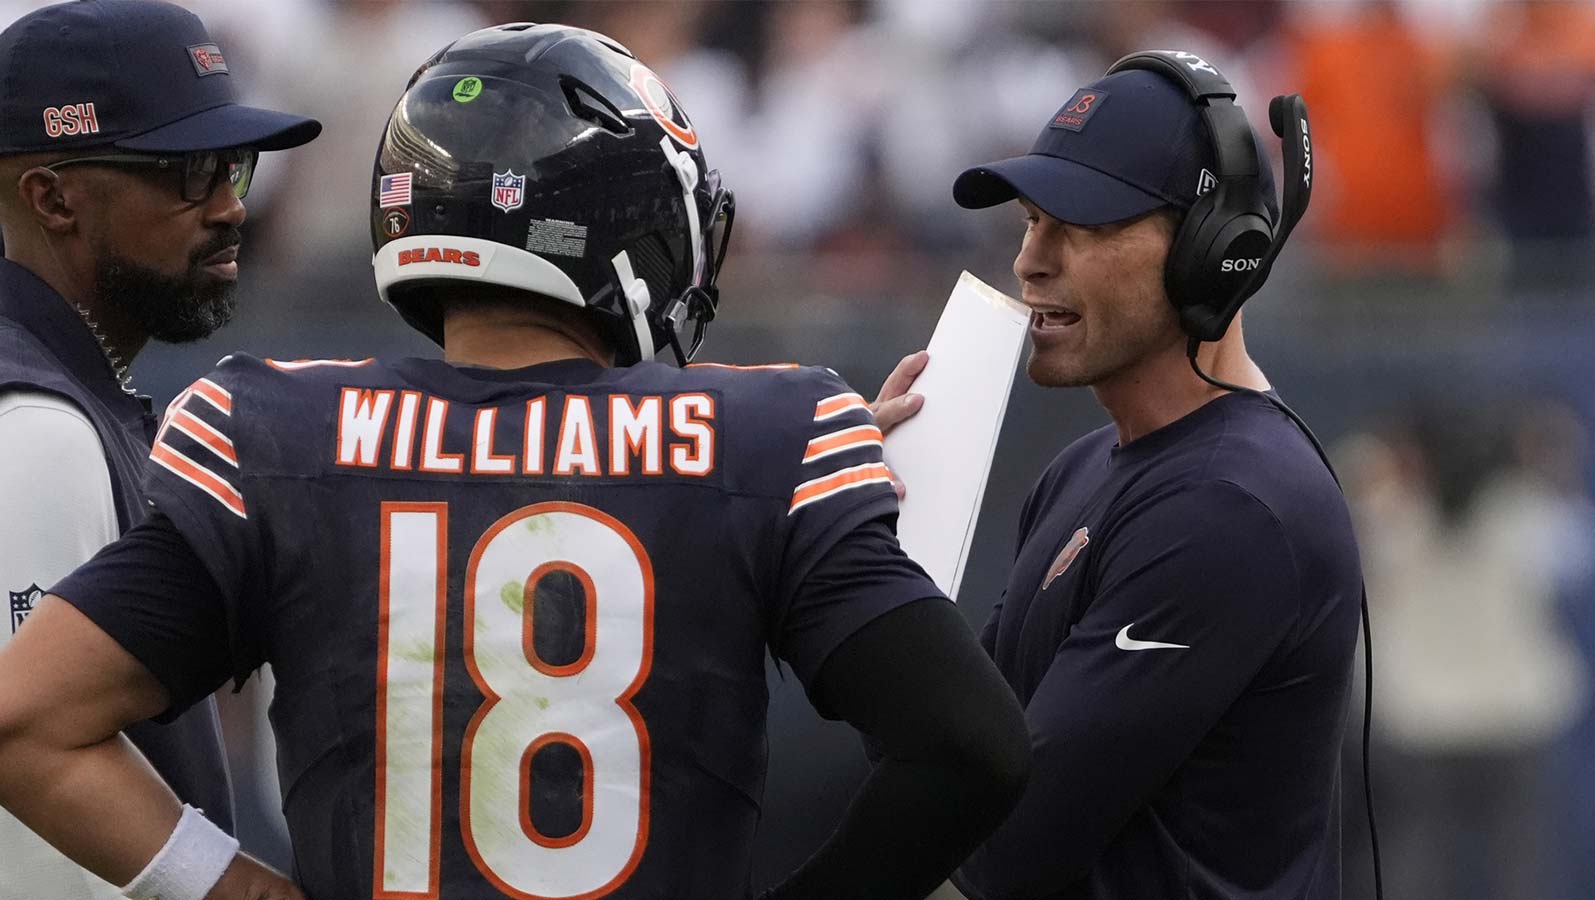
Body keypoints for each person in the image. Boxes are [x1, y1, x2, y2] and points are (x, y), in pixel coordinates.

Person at [0, 23, 1030, 900]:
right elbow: (972, 747)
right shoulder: (773, 436)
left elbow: (27, 723)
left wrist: (239, 891)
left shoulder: (266, 427)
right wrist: (795, 474)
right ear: (634, 222)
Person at [877, 51, 1363, 899]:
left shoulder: (1229, 507)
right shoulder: (1083, 471)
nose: (1031, 260)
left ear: (1218, 251)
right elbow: (939, 753)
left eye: (1084, 225)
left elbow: (997, 847)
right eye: (1031, 221)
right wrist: (858, 539)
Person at [0, 1, 320, 897]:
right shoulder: (36, 424)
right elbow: (35, 844)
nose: (227, 207)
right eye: (185, 173)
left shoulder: (68, 390)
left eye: (233, 166)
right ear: (53, 196)